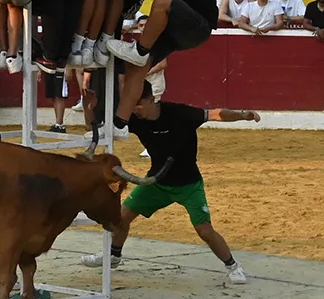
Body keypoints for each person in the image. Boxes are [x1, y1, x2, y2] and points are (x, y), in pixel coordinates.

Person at [84, 82, 255, 285]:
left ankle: (233, 266)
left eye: (138, 105)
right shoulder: (134, 119)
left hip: (188, 185)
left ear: (151, 99)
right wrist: (89, 109)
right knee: (120, 218)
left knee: (204, 230)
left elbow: (216, 114)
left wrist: (243, 115)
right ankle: (113, 257)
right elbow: (94, 128)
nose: (135, 110)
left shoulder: (180, 113)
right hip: (156, 183)